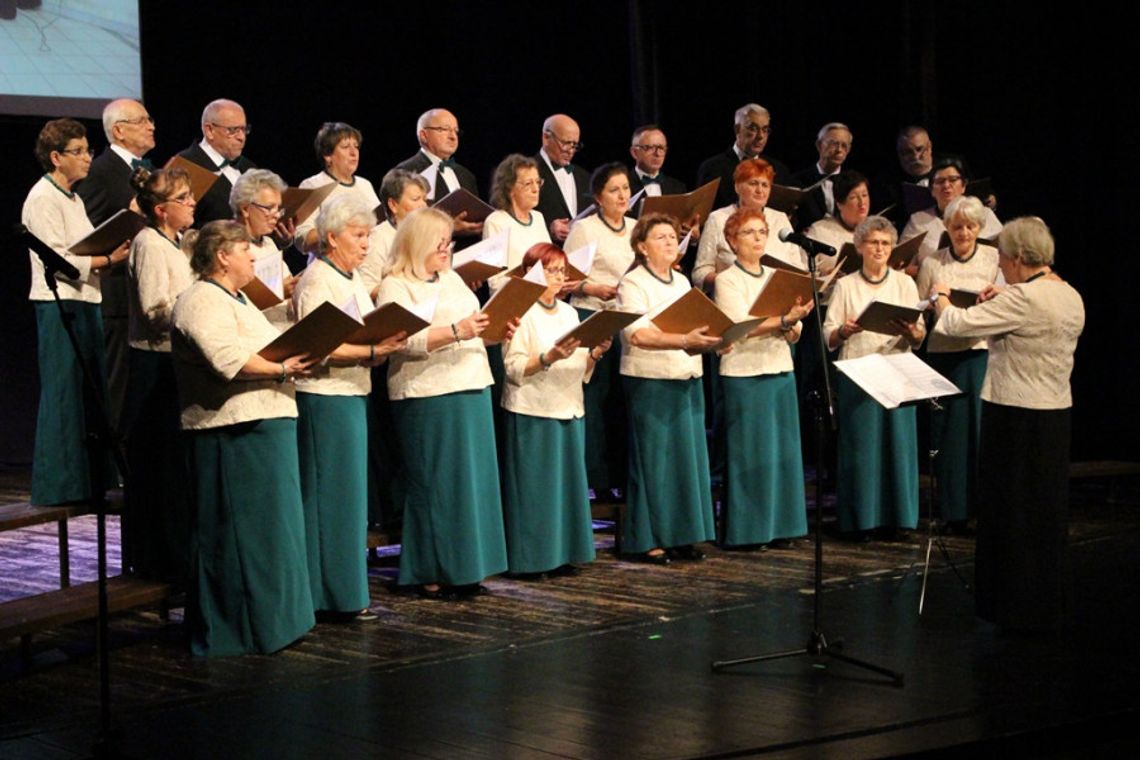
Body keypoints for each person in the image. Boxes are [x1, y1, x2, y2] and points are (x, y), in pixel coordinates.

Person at [928, 216, 1084, 631]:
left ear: (1017, 259)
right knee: (1043, 513)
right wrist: (1005, 297)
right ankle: (1044, 601)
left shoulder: (1022, 299)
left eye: (1004, 261)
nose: (1002, 268)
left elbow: (955, 325)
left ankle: (1011, 606)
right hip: (1054, 415)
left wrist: (942, 295)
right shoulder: (1070, 295)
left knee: (1010, 512)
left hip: (1014, 414)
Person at [170, 221, 317, 656]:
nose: (254, 256)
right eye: (245, 249)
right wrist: (284, 369)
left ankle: (277, 625)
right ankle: (242, 631)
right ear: (221, 257)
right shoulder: (199, 298)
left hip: (266, 424)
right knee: (240, 537)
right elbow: (226, 359)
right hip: (231, 431)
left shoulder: (241, 300)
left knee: (274, 534)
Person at [375, 207, 509, 599]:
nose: (447, 249)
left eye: (449, 242)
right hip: (427, 393)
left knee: (471, 484)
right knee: (437, 485)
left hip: (470, 385)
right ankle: (432, 569)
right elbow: (403, 340)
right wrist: (456, 331)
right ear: (417, 244)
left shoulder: (451, 279)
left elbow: (474, 329)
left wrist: (496, 330)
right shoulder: (395, 286)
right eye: (440, 243)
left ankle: (468, 568)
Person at [292, 195, 406, 621]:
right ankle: (325, 595)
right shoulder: (318, 279)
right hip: (325, 398)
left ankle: (345, 591)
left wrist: (377, 348)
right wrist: (371, 347)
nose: (365, 245)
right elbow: (318, 346)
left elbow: (359, 336)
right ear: (332, 237)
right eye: (358, 237)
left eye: (368, 236)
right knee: (327, 498)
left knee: (348, 500)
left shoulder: (353, 279)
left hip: (352, 392)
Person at [21, 118, 127, 507]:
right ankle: (59, 485)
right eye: (78, 152)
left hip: (85, 300)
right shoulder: (42, 197)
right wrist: (105, 259)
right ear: (55, 157)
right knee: (65, 393)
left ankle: (92, 481)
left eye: (88, 151)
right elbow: (57, 258)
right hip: (59, 302)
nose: (87, 159)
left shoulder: (75, 198)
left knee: (90, 392)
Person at [500, 243, 610, 577]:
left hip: (567, 406)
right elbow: (514, 367)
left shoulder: (569, 313)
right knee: (535, 490)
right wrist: (548, 357)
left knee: (564, 491)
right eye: (551, 270)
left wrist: (594, 354)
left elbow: (578, 367)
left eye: (562, 271)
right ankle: (532, 560)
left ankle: (563, 553)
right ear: (532, 273)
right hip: (533, 409)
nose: (559, 278)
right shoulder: (520, 314)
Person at [618, 213, 721, 563]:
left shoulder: (680, 282)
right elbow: (638, 334)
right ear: (642, 248)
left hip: (686, 378)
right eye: (660, 237)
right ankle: (646, 539)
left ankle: (683, 535)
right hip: (650, 381)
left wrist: (716, 340)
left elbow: (696, 327)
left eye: (671, 237)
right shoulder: (632, 283)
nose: (668, 242)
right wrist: (684, 339)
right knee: (654, 463)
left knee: (685, 461)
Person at [823, 216, 925, 538]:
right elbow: (828, 335)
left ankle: (900, 520)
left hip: (896, 370)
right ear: (860, 247)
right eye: (873, 243)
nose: (879, 249)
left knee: (899, 447)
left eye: (885, 243)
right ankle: (862, 520)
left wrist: (913, 332)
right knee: (863, 448)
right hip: (859, 372)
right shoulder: (846, 285)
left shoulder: (905, 284)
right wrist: (843, 330)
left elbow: (919, 336)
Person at [715, 209, 812, 548]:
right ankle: (748, 531)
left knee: (781, 453)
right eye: (749, 233)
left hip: (779, 369)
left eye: (761, 232)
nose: (757, 238)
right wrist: (783, 319)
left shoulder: (775, 276)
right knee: (750, 453)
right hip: (744, 373)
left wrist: (792, 323)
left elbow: (794, 329)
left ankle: (782, 527)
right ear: (732, 240)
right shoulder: (728, 279)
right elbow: (738, 325)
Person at [121, 167, 197, 582]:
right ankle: (157, 557)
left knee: (174, 466)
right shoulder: (149, 244)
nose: (192, 204)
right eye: (184, 198)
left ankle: (176, 552)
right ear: (163, 210)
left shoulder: (179, 242)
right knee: (158, 463)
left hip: (175, 361)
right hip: (154, 365)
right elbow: (154, 311)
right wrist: (197, 307)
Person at [915, 196, 1002, 530]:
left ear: (979, 228)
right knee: (948, 437)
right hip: (942, 355)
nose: (964, 232)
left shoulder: (993, 257)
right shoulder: (932, 263)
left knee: (979, 433)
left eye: (970, 226)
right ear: (946, 228)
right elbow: (921, 308)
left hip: (979, 353)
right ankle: (953, 511)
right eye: (956, 226)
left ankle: (984, 510)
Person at [77, 98, 156, 437]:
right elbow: (88, 231)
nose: (151, 126)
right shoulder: (100, 171)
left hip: (145, 293)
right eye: (142, 121)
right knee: (117, 387)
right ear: (119, 130)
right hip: (116, 296)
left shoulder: (148, 168)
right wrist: (131, 214)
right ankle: (110, 467)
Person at [564, 163, 635, 498]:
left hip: (627, 320)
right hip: (593, 317)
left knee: (622, 400)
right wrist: (594, 289)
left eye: (625, 188)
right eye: (614, 190)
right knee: (597, 398)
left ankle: (622, 474)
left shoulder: (637, 228)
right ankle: (598, 479)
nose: (622, 195)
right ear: (598, 197)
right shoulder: (586, 229)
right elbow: (566, 278)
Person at [692, 158, 806, 294]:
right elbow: (700, 273)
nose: (760, 190)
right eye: (753, 183)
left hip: (776, 298)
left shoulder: (780, 219)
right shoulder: (718, 219)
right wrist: (729, 281)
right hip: (734, 297)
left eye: (765, 185)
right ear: (737, 187)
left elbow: (797, 268)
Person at [294, 122, 381, 256]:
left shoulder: (365, 184)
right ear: (328, 155)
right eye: (345, 147)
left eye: (356, 147)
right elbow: (303, 239)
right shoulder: (313, 185)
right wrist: (343, 229)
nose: (354, 153)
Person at [393, 108, 482, 238]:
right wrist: (449, 226)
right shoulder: (406, 172)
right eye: (444, 129)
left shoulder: (466, 175)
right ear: (424, 135)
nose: (453, 137)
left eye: (455, 131)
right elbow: (404, 224)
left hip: (467, 250)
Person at [901, 157, 1001, 269]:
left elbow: (1004, 252)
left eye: (953, 180)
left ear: (963, 185)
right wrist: (926, 270)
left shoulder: (985, 214)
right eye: (940, 181)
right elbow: (901, 265)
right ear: (932, 190)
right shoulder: (918, 221)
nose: (946, 185)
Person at [230, 169, 296, 330]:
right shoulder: (230, 246)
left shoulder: (269, 243)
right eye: (269, 208)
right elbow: (233, 302)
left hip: (284, 327)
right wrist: (280, 290)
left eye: (278, 208)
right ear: (245, 209)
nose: (276, 215)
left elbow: (288, 286)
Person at [696, 103, 791, 211]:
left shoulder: (779, 170)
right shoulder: (712, 168)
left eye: (765, 130)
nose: (761, 136)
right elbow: (701, 214)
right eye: (753, 128)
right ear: (737, 129)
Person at [176, 99, 256, 226]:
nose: (242, 137)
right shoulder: (184, 167)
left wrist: (281, 238)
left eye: (244, 129)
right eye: (233, 130)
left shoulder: (249, 167)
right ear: (209, 131)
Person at [483, 153, 552, 294]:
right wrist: (533, 280)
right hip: (515, 301)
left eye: (538, 182)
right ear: (510, 188)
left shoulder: (538, 217)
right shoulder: (496, 221)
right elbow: (495, 281)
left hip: (544, 298)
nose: (536, 189)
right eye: (528, 183)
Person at [360, 169, 429, 298]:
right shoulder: (378, 238)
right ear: (393, 205)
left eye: (424, 199)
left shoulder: (429, 235)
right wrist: (406, 286)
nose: (423, 205)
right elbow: (367, 289)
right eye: (415, 199)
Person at [804, 170, 872, 276]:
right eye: (853, 197)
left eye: (864, 195)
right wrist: (826, 275)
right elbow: (804, 272)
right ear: (839, 204)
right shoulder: (820, 230)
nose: (862, 202)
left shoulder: (878, 230)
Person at [534, 114, 590, 242]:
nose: (570, 151)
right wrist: (549, 228)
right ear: (546, 137)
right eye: (565, 143)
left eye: (575, 145)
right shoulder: (526, 172)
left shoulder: (584, 176)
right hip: (546, 254)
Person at [789, 122, 854, 229]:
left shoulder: (853, 184)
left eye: (844, 145)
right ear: (819, 145)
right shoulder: (797, 181)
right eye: (833, 143)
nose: (839, 150)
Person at [627, 124, 687, 198]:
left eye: (661, 148)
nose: (657, 154)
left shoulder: (678, 188)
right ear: (634, 153)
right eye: (649, 148)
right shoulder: (624, 185)